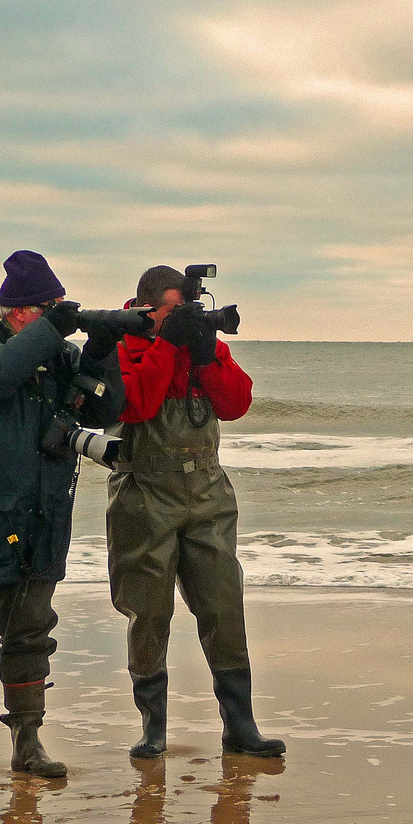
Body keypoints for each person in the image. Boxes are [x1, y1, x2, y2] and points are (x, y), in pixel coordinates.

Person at [0, 250, 125, 787]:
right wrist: (55, 329)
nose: (58, 322)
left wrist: (100, 351)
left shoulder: (52, 354)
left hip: (39, 521)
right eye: (47, 311)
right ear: (15, 311)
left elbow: (106, 411)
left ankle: (28, 743)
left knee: (31, 636)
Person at [106, 265, 285, 760]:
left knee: (224, 606)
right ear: (147, 308)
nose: (187, 319)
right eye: (175, 310)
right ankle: (153, 728)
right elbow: (136, 404)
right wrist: (167, 345)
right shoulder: (123, 344)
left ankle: (240, 726)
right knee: (149, 611)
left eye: (190, 310)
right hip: (144, 492)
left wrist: (204, 354)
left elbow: (237, 403)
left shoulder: (204, 345)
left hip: (207, 490)